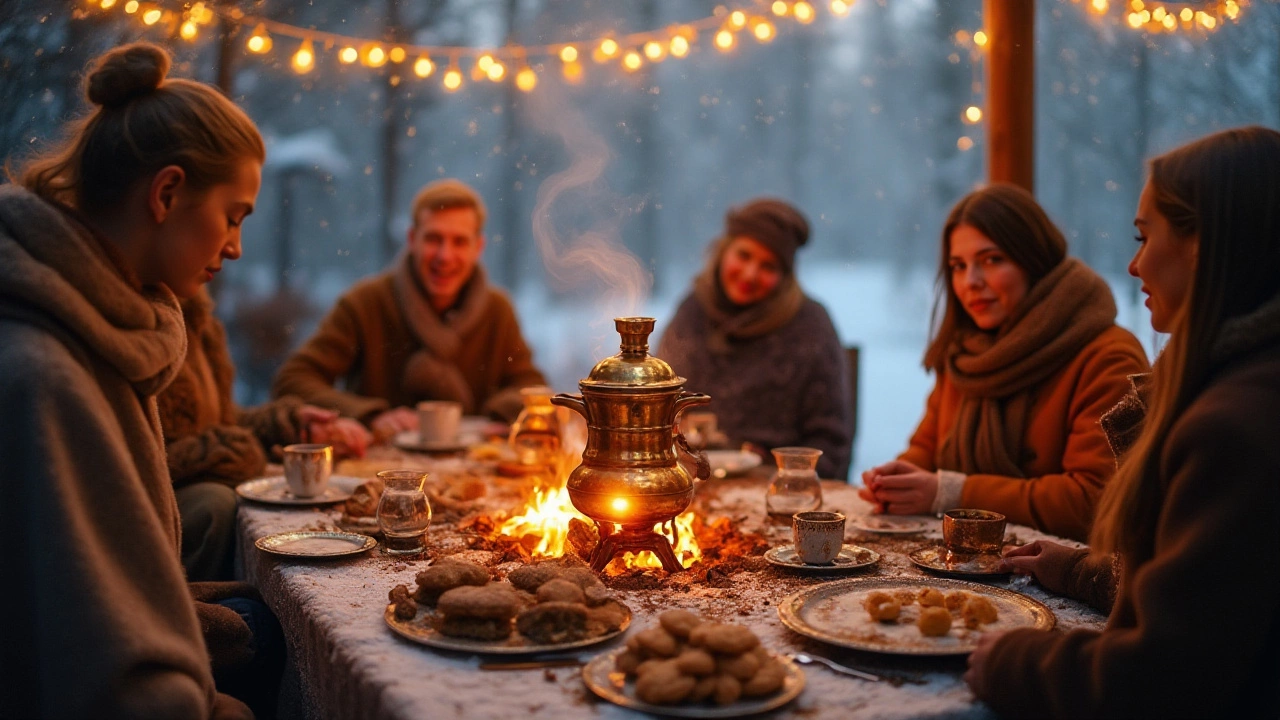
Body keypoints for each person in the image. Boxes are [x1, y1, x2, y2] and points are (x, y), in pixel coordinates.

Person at [966, 127, 1280, 719]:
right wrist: (1080, 569)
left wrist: (1016, 662)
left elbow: (1167, 678)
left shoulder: (1234, 427)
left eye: (1145, 236)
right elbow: (1213, 592)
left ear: (1209, 246)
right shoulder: (1232, 388)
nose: (1134, 264)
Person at [0, 43, 275, 718]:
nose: (235, 246)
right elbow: (89, 652)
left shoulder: (106, 326)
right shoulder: (44, 371)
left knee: (270, 616)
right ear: (168, 192)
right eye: (233, 216)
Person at [859, 184, 1149, 541]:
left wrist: (951, 492)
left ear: (1034, 260)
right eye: (958, 266)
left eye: (991, 260)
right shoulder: (967, 352)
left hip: (1065, 579)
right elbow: (929, 448)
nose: (971, 282)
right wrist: (896, 481)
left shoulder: (1106, 357)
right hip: (966, 561)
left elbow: (1094, 500)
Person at [273, 178, 546, 438]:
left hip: (475, 472)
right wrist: (369, 415)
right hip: (376, 470)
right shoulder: (365, 303)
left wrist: (495, 416)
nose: (444, 256)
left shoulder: (498, 310)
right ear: (412, 239)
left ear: (478, 247)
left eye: (459, 242)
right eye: (433, 239)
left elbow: (531, 387)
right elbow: (294, 379)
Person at [159, 287, 372, 581]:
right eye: (224, 238)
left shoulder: (196, 317)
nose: (234, 251)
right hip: (157, 498)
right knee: (218, 504)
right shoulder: (144, 326)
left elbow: (223, 419)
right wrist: (234, 451)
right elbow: (144, 452)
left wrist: (290, 421)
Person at [657, 198, 853, 480]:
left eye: (769, 266)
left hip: (775, 488)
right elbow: (660, 404)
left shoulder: (810, 327)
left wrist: (780, 473)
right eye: (744, 255)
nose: (750, 274)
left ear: (785, 276)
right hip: (691, 482)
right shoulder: (692, 312)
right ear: (724, 251)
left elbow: (831, 445)